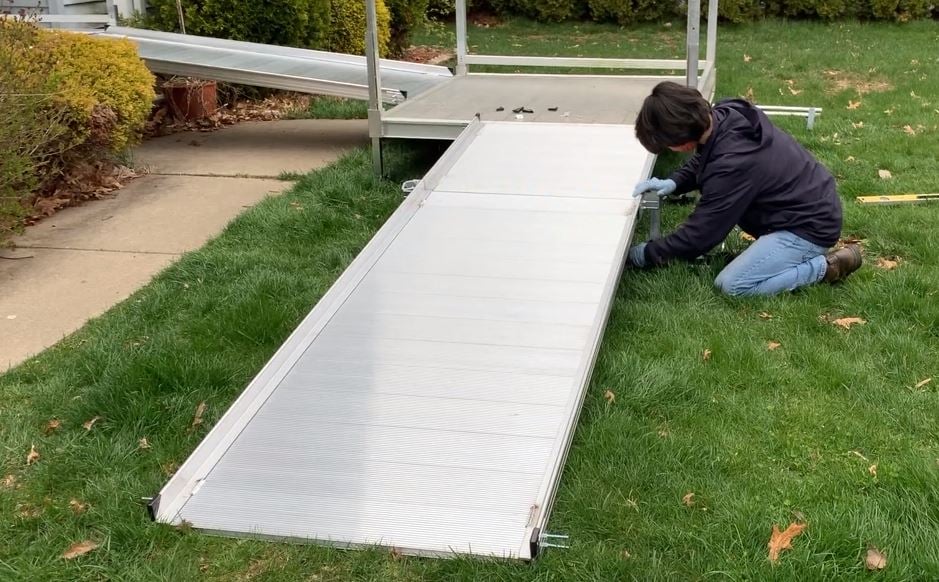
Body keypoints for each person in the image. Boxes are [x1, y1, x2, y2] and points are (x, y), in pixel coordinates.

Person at [628, 81, 862, 296]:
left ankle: (825, 267)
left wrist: (647, 254)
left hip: (807, 228)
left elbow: (701, 235)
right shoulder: (725, 114)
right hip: (805, 205)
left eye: (669, 146)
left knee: (732, 285)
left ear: (684, 142)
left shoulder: (733, 163)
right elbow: (707, 158)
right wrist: (676, 181)